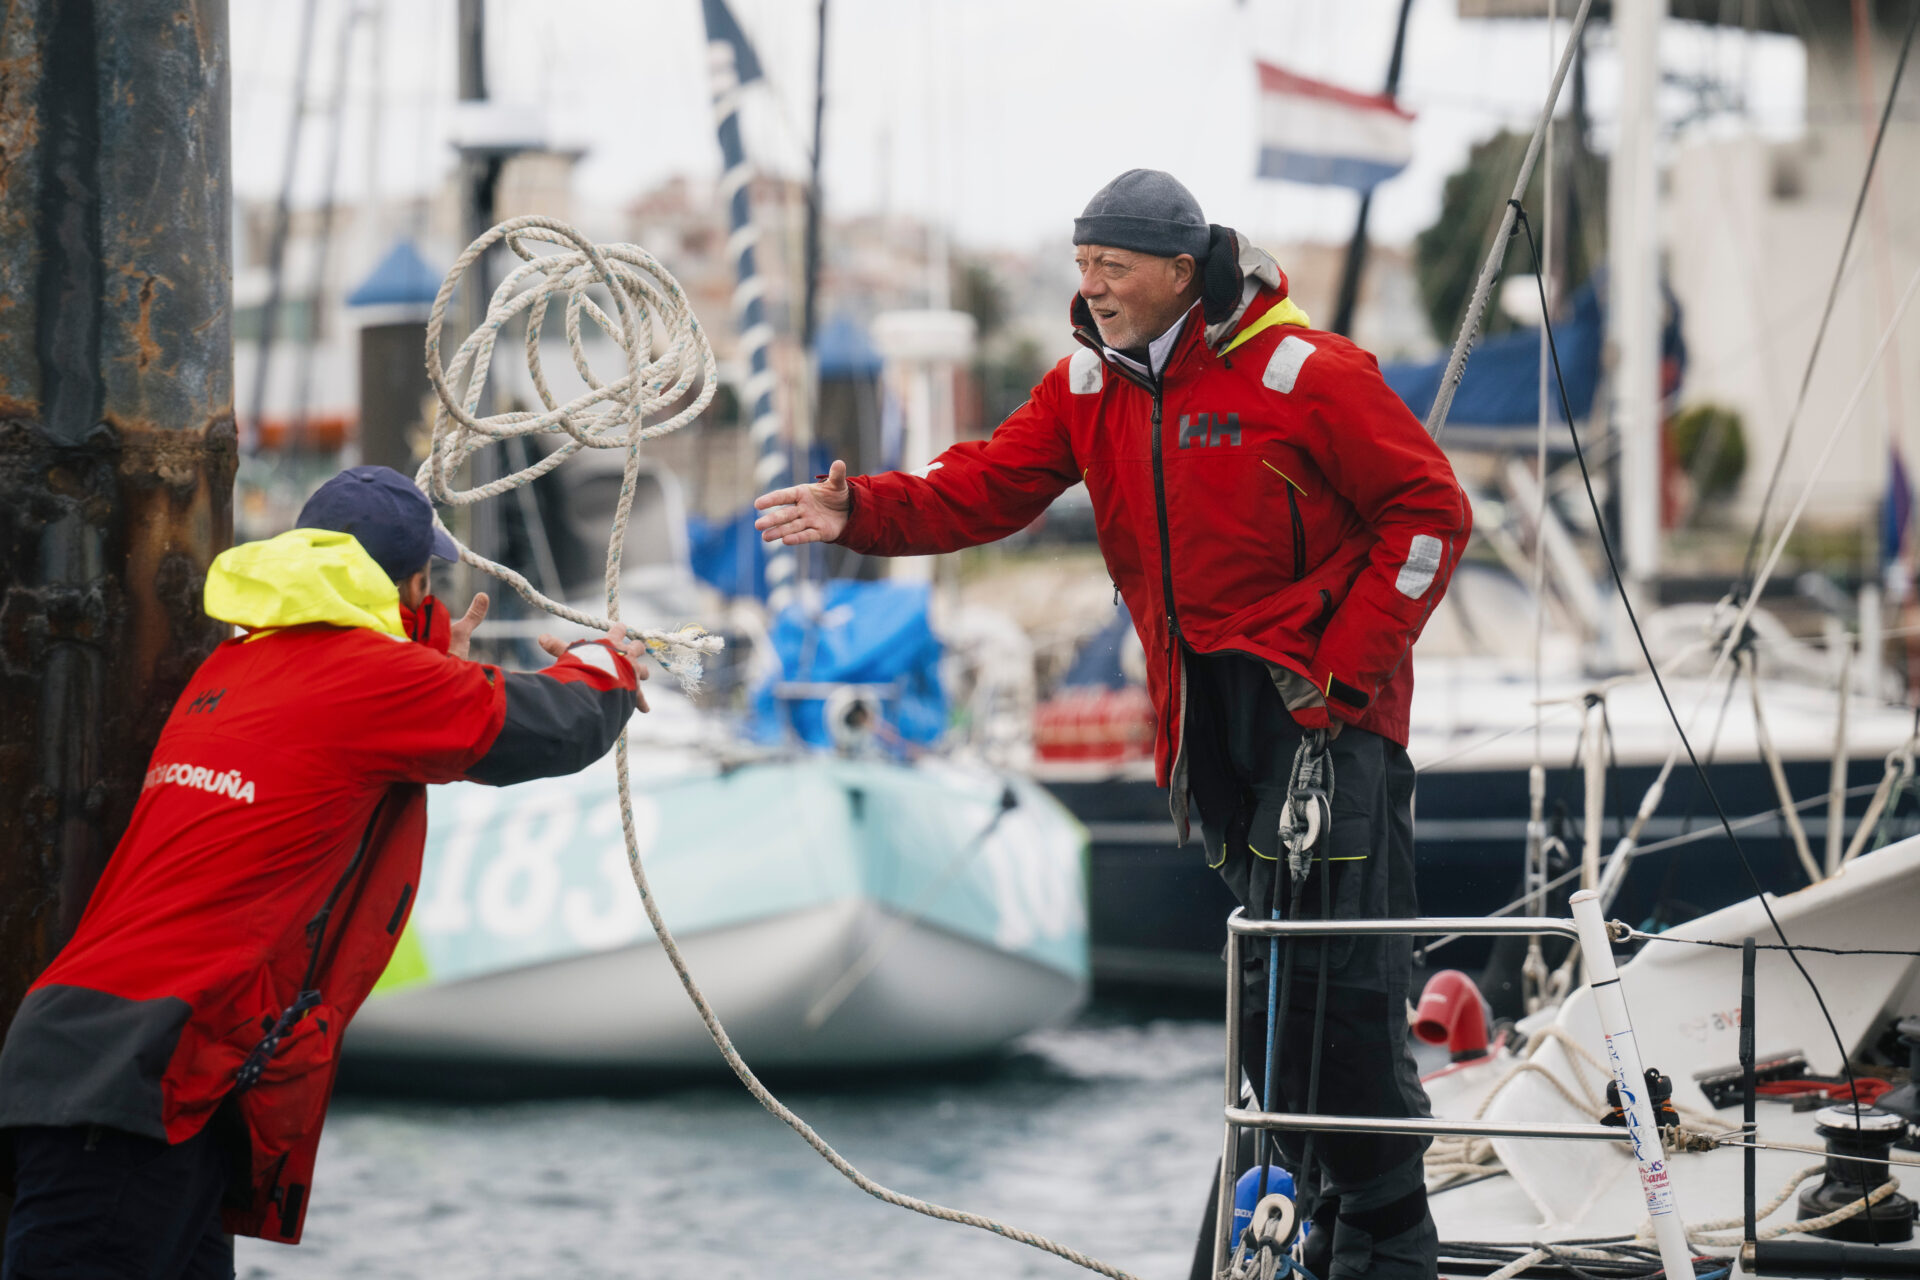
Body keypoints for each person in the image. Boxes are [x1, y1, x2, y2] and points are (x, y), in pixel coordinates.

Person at [753, 170, 1470, 1279]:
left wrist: (1340, 672)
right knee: (1272, 980)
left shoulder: (1306, 373)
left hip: (1323, 716)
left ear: (1181, 273)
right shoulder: (1090, 384)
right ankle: (1324, 1212)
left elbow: (1431, 514)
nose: (1090, 289)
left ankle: (1388, 1227)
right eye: (1082, 268)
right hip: (1209, 723)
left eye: (1113, 269)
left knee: (1342, 973)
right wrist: (865, 511)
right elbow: (985, 486)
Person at [0, 466, 650, 1279]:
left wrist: (427, 670)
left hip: (125, 1072)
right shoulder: (375, 681)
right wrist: (608, 665)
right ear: (409, 585)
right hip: (143, 1080)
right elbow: (554, 726)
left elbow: (339, 733)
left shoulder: (233, 665)